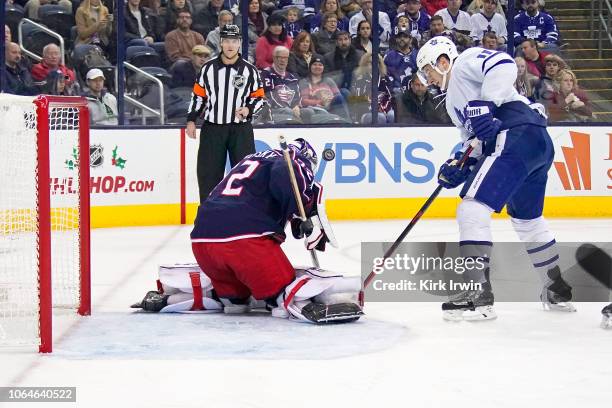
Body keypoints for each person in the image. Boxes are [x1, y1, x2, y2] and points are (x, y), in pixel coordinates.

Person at [416, 37, 575, 320]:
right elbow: (475, 139)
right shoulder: (453, 103)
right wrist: (459, 163)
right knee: (528, 221)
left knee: (471, 209)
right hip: (535, 143)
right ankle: (556, 289)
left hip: (515, 134)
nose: (427, 78)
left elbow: (503, 64)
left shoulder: (464, 63)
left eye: (427, 69)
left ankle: (478, 295)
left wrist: (484, 104)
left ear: (442, 61)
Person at [186, 138, 362, 323]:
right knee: (286, 292)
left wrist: (295, 215)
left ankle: (215, 296)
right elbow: (286, 171)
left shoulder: (249, 160)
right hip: (244, 242)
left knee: (234, 299)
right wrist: (301, 207)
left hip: (202, 242)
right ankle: (303, 300)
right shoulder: (292, 158)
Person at [186, 25, 264, 204]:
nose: (230, 45)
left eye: (234, 41)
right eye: (227, 41)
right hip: (213, 129)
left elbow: (259, 98)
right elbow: (198, 96)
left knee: (246, 174)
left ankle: (245, 214)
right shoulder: (207, 69)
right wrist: (191, 119)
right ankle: (208, 215)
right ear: (221, 42)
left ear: (240, 43)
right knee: (208, 175)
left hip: (240, 130)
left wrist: (248, 109)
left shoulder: (250, 71)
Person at [261, 46, 310, 123]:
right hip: (274, 109)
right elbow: (269, 95)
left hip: (290, 109)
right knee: (289, 112)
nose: (283, 60)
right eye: (280, 57)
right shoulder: (266, 74)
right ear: (274, 58)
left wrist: (296, 106)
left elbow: (297, 96)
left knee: (308, 112)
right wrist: (290, 108)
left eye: (285, 58)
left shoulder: (292, 78)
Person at [299, 55, 351, 122]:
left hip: (332, 106)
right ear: (310, 67)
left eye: (320, 65)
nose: (317, 67)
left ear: (323, 67)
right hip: (317, 109)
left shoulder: (328, 81)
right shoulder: (305, 82)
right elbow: (304, 101)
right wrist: (320, 102)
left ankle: (347, 121)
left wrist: (329, 99)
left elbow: (337, 94)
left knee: (344, 93)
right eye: (314, 64)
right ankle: (346, 122)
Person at [350, 52, 395, 124]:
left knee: (392, 115)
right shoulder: (359, 79)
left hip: (383, 109)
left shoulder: (384, 78)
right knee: (380, 117)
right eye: (371, 63)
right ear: (365, 64)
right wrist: (373, 108)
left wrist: (384, 108)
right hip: (364, 112)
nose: (374, 65)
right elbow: (353, 99)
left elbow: (390, 96)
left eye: (377, 62)